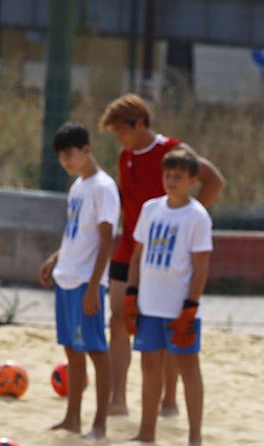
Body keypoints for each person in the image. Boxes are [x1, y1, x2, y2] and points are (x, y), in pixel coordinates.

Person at [98, 94, 223, 420]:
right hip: (131, 246)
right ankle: (117, 398)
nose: (119, 137)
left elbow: (213, 179)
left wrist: (188, 218)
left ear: (139, 123)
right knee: (119, 320)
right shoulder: (124, 155)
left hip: (166, 254)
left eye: (122, 130)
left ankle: (169, 399)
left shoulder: (170, 150)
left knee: (166, 324)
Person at [125, 147, 213, 446]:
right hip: (149, 303)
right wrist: (131, 295)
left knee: (188, 367)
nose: (171, 181)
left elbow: (200, 268)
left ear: (192, 181)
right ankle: (146, 431)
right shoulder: (151, 209)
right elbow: (138, 256)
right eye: (168, 174)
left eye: (178, 176)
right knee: (149, 366)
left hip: (178, 306)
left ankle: (195, 436)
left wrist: (190, 306)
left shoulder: (197, 216)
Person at [38, 121, 118, 441]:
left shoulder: (103, 187)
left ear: (87, 150)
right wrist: (57, 257)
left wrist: (95, 285)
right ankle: (72, 418)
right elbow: (77, 233)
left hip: (87, 282)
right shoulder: (78, 187)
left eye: (70, 154)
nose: (66, 161)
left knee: (97, 350)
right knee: (72, 350)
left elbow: (106, 239)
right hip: (67, 277)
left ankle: (99, 423)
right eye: (61, 156)